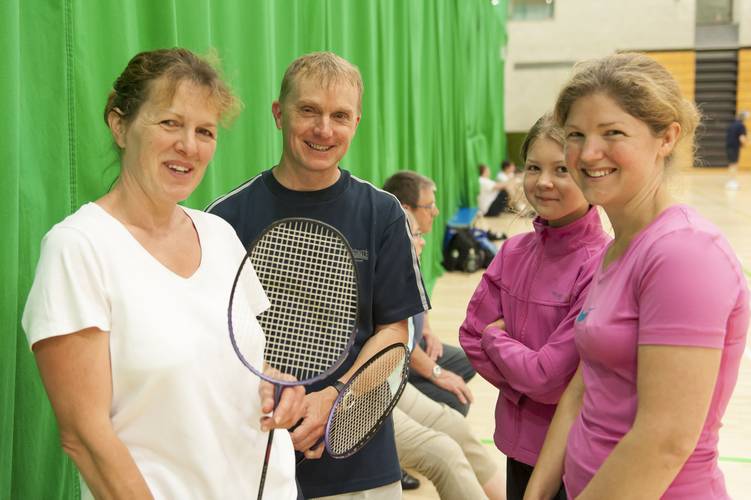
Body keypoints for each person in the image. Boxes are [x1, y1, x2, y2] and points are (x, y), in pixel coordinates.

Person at [21, 48, 305, 499]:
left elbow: (238, 368)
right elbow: (85, 438)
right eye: (170, 123)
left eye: (204, 131)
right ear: (120, 125)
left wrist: (276, 383)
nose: (189, 146)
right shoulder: (77, 248)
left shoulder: (220, 235)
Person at [525, 53, 750, 500]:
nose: (588, 154)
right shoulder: (617, 248)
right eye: (576, 135)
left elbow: (664, 442)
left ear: (666, 137)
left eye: (613, 133)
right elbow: (584, 387)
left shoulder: (685, 254)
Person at [207, 51, 429, 499]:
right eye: (308, 110)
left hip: (361, 466)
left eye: (339, 116)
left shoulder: (383, 213)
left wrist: (336, 398)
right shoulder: (224, 220)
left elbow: (394, 331)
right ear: (278, 114)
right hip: (252, 464)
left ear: (356, 122)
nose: (323, 129)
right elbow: (213, 342)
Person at [459, 114, 610, 500]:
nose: (543, 182)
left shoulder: (601, 264)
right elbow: (470, 336)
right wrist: (525, 376)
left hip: (572, 454)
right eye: (533, 168)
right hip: (515, 444)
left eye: (562, 169)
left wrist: (498, 340)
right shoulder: (512, 251)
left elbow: (550, 378)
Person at [393, 210, 506, 500]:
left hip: (388, 383)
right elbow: (399, 347)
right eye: (415, 236)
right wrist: (437, 373)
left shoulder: (409, 273)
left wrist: (428, 332)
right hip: (363, 391)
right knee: (444, 452)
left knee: (455, 423)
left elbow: (415, 324)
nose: (422, 242)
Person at [383, 170, 476, 416]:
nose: (435, 212)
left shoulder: (413, 246)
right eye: (429, 205)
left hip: (410, 345)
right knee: (457, 401)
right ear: (405, 209)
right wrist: (437, 373)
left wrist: (426, 330)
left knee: (467, 362)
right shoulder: (390, 260)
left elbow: (419, 303)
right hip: (391, 361)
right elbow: (397, 342)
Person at [725, 110, 748, 190]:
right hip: (734, 147)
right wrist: (746, 144)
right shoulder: (741, 126)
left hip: (728, 146)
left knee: (731, 164)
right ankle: (732, 182)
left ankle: (731, 181)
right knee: (734, 165)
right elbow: (742, 138)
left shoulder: (732, 125)